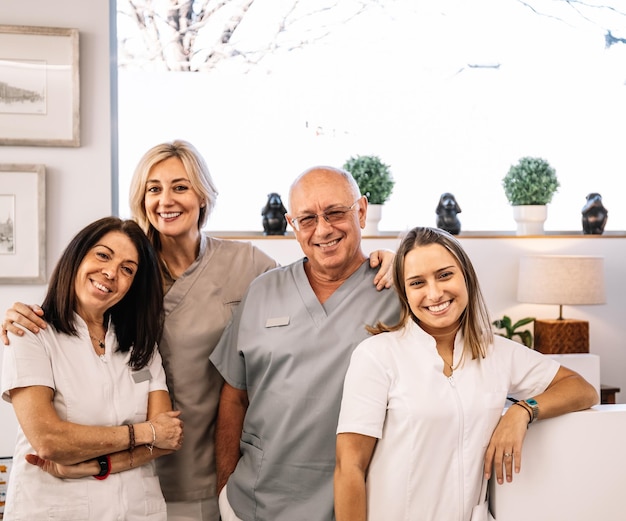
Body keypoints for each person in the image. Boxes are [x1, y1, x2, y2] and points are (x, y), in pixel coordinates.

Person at [1, 141, 393, 521]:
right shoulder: (127, 272)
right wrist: (20, 316)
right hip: (132, 472)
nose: (166, 200)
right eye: (153, 189)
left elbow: (310, 296)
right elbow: (74, 316)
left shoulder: (249, 266)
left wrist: (393, 262)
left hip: (205, 471)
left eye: (181, 187)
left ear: (203, 195)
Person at [333, 226, 599, 521]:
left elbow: (582, 389)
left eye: (445, 275)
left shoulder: (497, 352)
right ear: (405, 293)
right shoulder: (377, 355)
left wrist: (522, 411)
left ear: (466, 277)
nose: (434, 293)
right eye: (417, 282)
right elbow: (349, 467)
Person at [209, 166, 401, 521]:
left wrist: (522, 408)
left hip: (355, 507)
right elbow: (234, 395)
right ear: (291, 225)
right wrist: (225, 486)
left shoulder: (397, 291)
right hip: (252, 504)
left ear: (361, 211)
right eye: (307, 218)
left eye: (335, 212)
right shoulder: (263, 290)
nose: (323, 229)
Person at [1, 217, 184, 521]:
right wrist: (144, 433)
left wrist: (99, 464)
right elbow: (49, 440)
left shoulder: (141, 346)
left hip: (137, 509)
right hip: (56, 509)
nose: (111, 273)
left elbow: (167, 440)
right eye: (103, 255)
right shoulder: (30, 332)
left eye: (128, 269)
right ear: (77, 256)